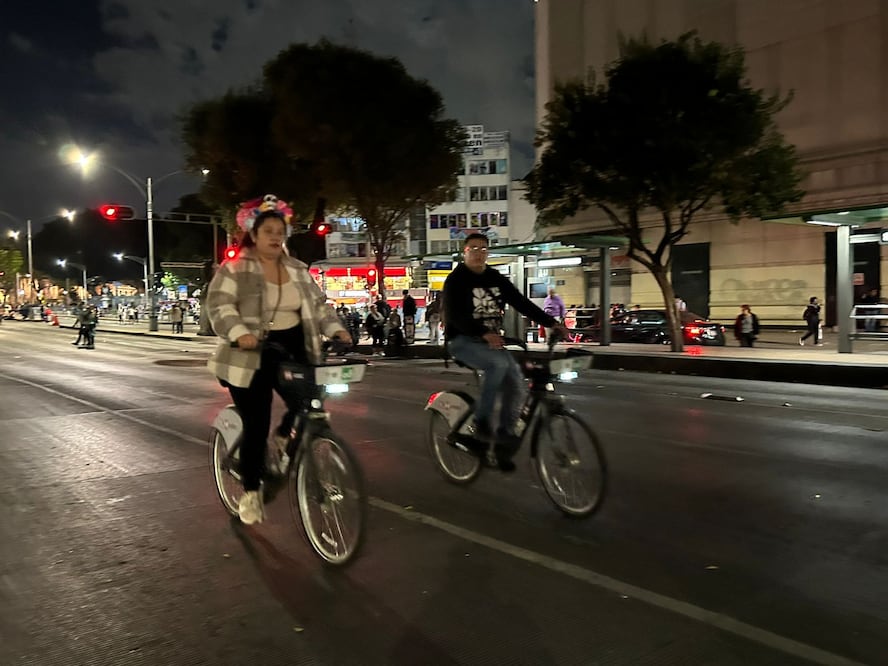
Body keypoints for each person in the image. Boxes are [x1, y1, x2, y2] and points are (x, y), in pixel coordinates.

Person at [206, 194, 352, 525]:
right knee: (256, 422)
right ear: (253, 235)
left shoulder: (298, 270)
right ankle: (251, 491)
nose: (275, 236)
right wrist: (239, 332)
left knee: (314, 398)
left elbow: (318, 308)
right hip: (250, 350)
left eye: (279, 231)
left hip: (295, 345)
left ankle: (287, 433)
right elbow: (219, 305)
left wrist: (337, 330)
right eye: (268, 230)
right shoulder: (236, 269)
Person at [443, 233, 570, 472]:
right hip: (463, 341)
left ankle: (503, 439)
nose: (479, 253)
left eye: (484, 249)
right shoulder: (456, 280)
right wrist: (483, 333)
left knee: (517, 386)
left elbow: (521, 302)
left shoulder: (495, 278)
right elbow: (455, 317)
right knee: (499, 366)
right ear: (465, 252)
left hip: (492, 343)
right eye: (474, 248)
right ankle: (481, 424)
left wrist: (552, 323)